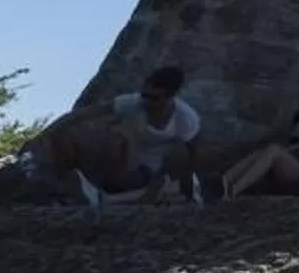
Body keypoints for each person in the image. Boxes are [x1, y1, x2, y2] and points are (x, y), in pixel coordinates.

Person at [25, 65, 203, 211]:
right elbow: (79, 115)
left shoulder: (185, 119)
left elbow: (194, 153)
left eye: (154, 98)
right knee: (71, 135)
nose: (147, 101)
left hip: (145, 171)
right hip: (115, 162)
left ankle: (108, 194)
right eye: (144, 95)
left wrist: (172, 182)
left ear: (170, 96)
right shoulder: (134, 103)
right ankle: (63, 188)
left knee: (120, 140)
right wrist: (40, 137)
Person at [221, 108, 299, 198]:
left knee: (274, 149)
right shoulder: (290, 145)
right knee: (264, 150)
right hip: (287, 173)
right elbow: (274, 154)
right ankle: (228, 178)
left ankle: (236, 189)